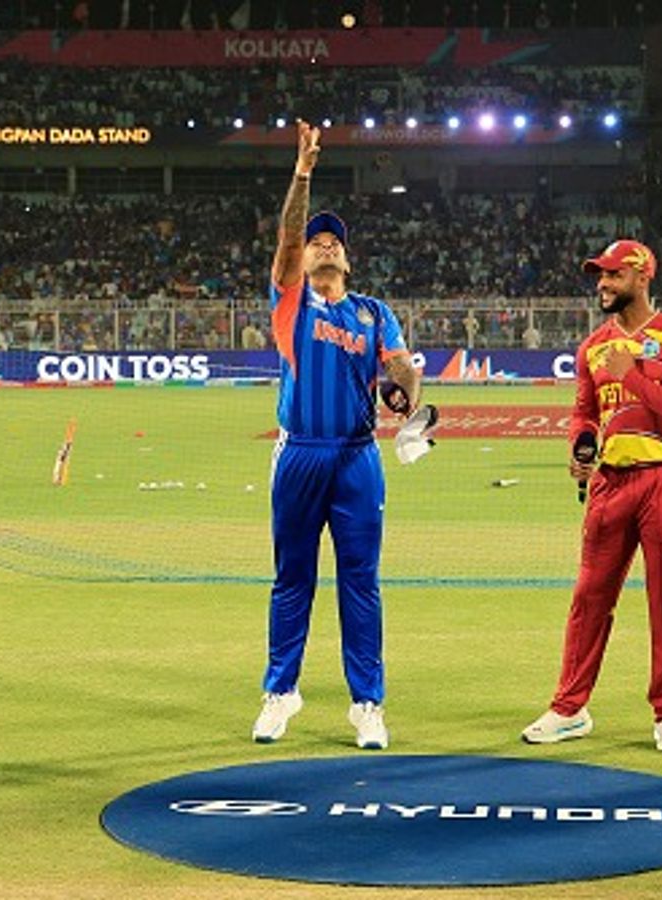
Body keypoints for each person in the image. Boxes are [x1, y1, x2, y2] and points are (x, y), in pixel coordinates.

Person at [251, 121, 423, 750]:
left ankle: (367, 704)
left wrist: (407, 390)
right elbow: (287, 238)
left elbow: (402, 376)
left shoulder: (373, 312)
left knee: (361, 580)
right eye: (316, 241)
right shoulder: (291, 301)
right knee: (291, 577)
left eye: (334, 243)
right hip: (299, 453)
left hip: (356, 456)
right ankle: (280, 693)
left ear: (349, 259)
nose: (324, 247)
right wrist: (302, 172)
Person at [521, 239, 662, 752]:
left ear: (641, 276)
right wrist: (581, 443)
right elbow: (585, 410)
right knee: (589, 596)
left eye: (611, 275)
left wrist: (634, 378)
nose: (602, 284)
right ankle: (569, 708)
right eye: (599, 276)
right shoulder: (592, 348)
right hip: (609, 482)